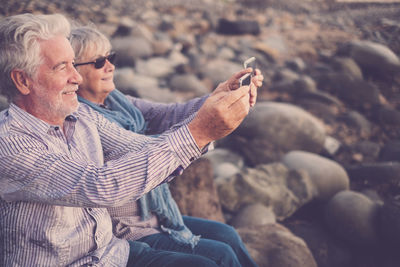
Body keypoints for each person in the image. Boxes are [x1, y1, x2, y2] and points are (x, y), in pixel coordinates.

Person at [0, 13, 260, 267]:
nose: (76, 77)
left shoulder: (81, 115)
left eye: (73, 63)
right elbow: (100, 185)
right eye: (62, 67)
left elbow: (142, 146)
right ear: (23, 80)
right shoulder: (10, 144)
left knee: (216, 251)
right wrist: (199, 131)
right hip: (90, 252)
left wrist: (216, 108)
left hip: (111, 254)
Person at [69, 25, 263, 267]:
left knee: (228, 235)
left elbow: (169, 114)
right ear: (73, 72)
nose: (111, 66)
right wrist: (204, 129)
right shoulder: (81, 117)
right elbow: (142, 149)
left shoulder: (119, 102)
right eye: (99, 62)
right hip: (128, 228)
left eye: (112, 57)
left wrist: (221, 96)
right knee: (219, 254)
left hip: (154, 214)